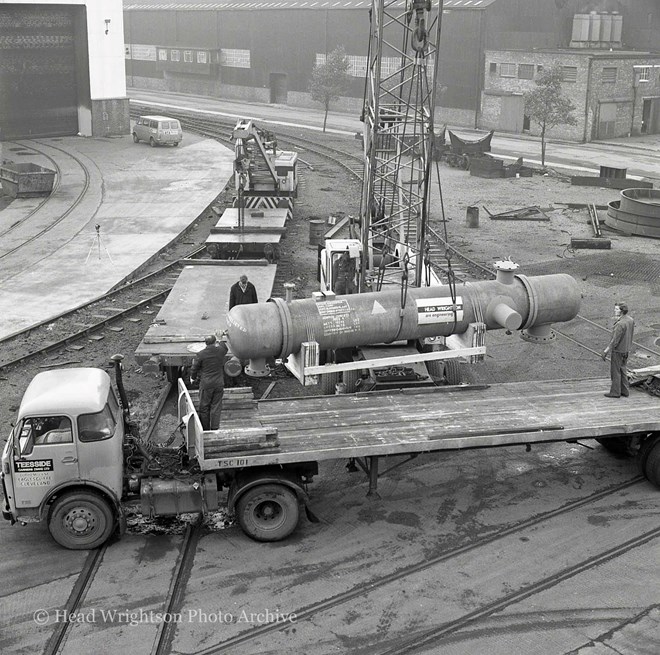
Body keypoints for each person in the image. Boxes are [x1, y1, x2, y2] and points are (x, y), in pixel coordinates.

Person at [190, 334, 229, 429]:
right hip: (219, 383)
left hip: (206, 384)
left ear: (205, 343)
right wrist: (220, 339)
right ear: (215, 342)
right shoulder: (220, 351)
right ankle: (215, 428)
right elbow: (225, 347)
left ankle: (205, 429)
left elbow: (194, 368)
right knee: (216, 407)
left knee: (204, 407)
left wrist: (192, 377)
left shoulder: (201, 354)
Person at [601, 302, 634, 398]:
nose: (614, 311)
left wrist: (606, 351)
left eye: (616, 309)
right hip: (626, 349)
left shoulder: (620, 324)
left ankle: (615, 392)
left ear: (622, 311)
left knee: (615, 372)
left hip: (618, 351)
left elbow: (615, 340)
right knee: (623, 370)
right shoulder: (630, 320)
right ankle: (625, 391)